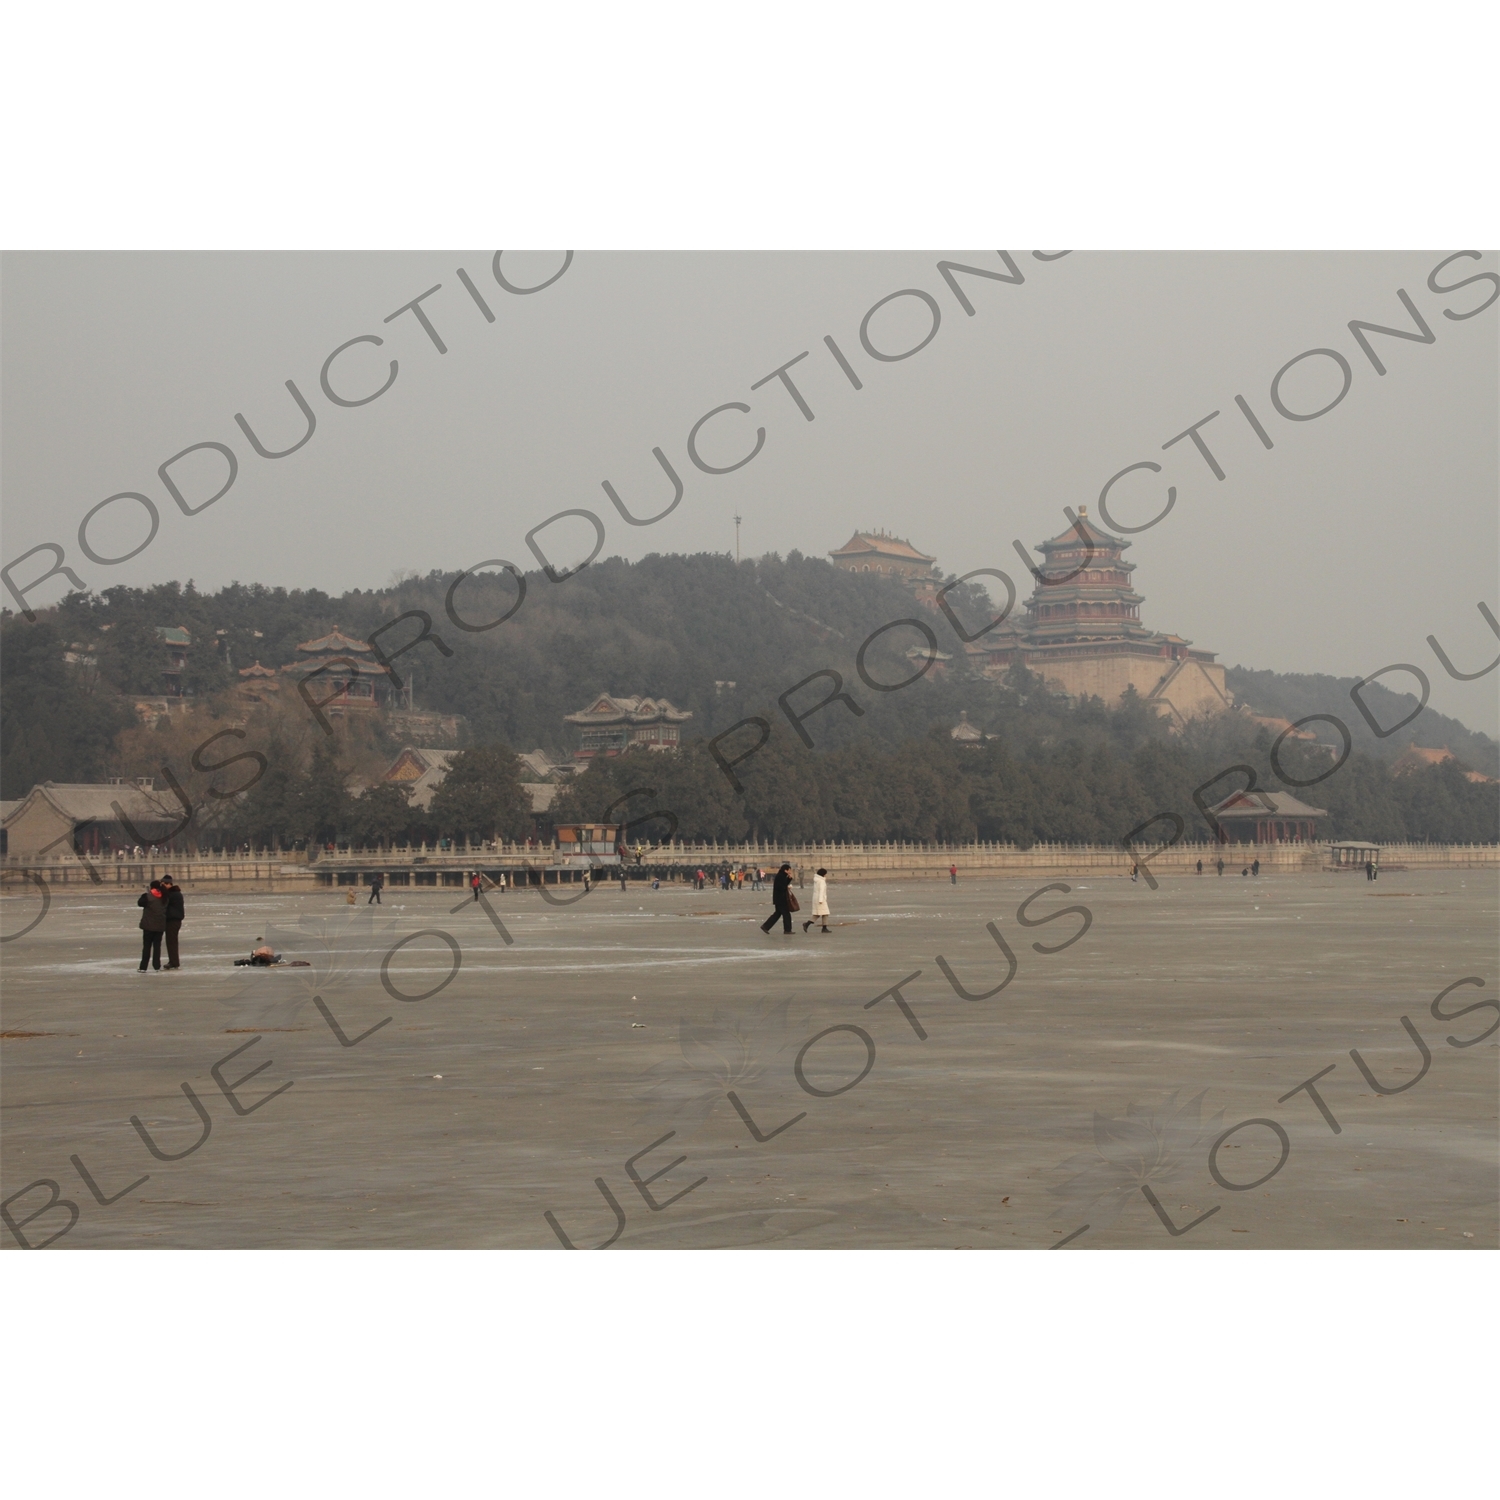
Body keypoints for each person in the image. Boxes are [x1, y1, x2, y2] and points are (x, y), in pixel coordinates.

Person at [137, 881, 167, 971]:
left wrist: (145, 894)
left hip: (148, 925)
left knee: (146, 947)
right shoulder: (164, 897)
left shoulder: (147, 896)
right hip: (160, 925)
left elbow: (140, 903)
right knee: (157, 947)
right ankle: (157, 966)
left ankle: (143, 967)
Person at [761, 862, 795, 934]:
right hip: (781, 899)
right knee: (786, 914)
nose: (790, 871)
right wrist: (787, 886)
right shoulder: (780, 876)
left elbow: (783, 884)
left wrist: (789, 879)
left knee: (777, 914)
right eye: (789, 870)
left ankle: (765, 926)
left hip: (779, 899)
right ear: (785, 870)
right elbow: (781, 887)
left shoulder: (781, 876)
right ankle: (787, 930)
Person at [160, 875, 185, 969]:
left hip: (173, 920)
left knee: (171, 942)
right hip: (173, 920)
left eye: (163, 885)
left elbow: (164, 902)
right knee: (171, 941)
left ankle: (174, 962)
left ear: (168, 884)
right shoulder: (174, 893)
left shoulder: (173, 894)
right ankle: (173, 961)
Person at [803, 867, 832, 933]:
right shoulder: (821, 881)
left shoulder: (816, 880)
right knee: (825, 913)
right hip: (820, 899)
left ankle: (808, 924)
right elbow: (821, 891)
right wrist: (821, 900)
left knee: (818, 913)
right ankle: (823, 928)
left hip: (816, 898)